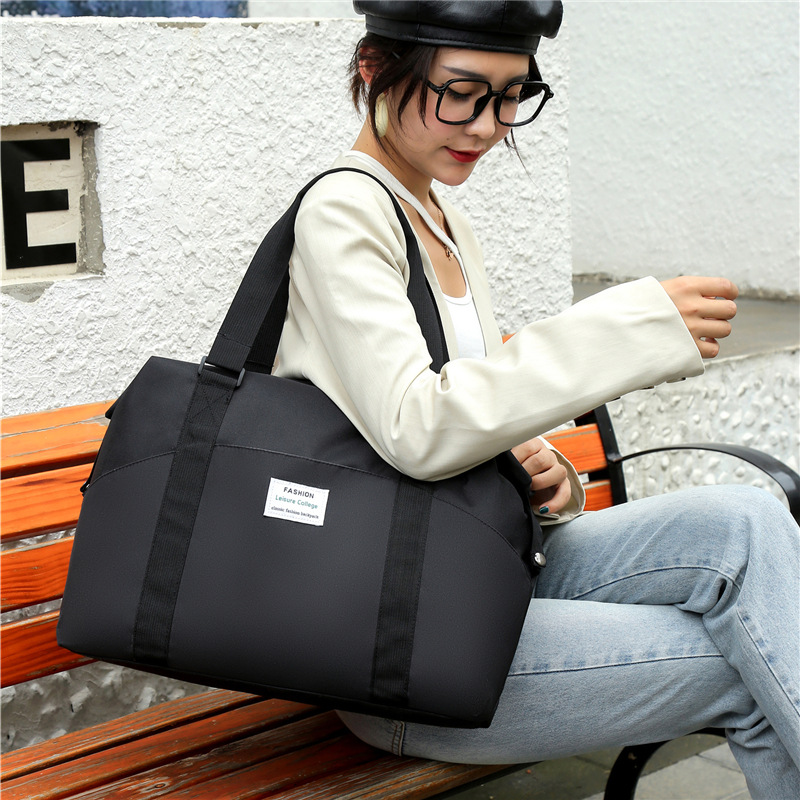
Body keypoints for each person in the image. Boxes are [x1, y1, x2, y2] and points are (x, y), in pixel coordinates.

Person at [273, 2, 800, 796]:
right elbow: (418, 428)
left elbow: (458, 413)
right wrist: (625, 329)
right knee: (753, 661)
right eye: (461, 93)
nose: (488, 126)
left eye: (511, 95)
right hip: (406, 642)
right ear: (375, 70)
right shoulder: (344, 211)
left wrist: (539, 467)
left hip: (482, 572)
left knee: (747, 521)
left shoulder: (441, 221)